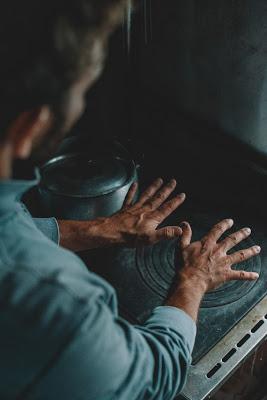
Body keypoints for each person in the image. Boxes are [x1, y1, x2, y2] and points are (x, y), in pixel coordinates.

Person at [0, 1, 261, 399]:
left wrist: (95, 230)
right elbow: (152, 380)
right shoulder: (57, 306)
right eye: (81, 94)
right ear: (29, 126)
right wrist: (193, 280)